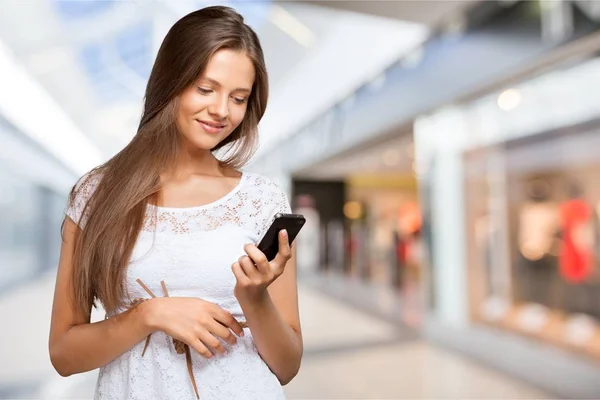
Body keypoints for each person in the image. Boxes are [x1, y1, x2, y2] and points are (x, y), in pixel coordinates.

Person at [48, 6, 302, 400]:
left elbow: (286, 367)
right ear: (171, 81)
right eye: (205, 89)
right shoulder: (96, 194)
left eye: (238, 98)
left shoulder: (261, 200)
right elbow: (64, 354)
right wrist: (150, 314)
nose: (221, 111)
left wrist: (254, 297)